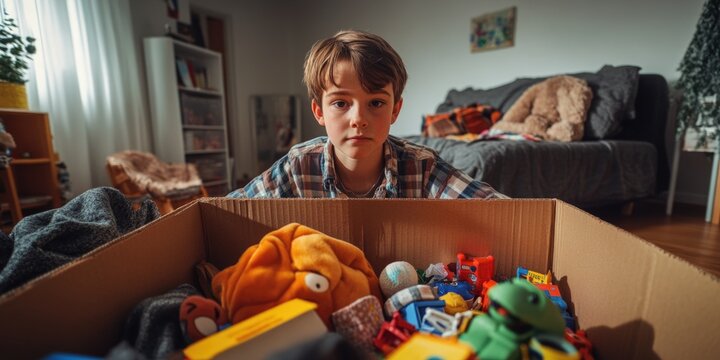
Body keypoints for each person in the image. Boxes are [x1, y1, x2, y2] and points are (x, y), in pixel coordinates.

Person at [228, 30, 505, 199]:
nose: (358, 118)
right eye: (340, 103)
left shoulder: (421, 167)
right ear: (318, 111)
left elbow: (496, 208)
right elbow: (229, 212)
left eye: (375, 103)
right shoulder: (298, 167)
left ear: (395, 109)